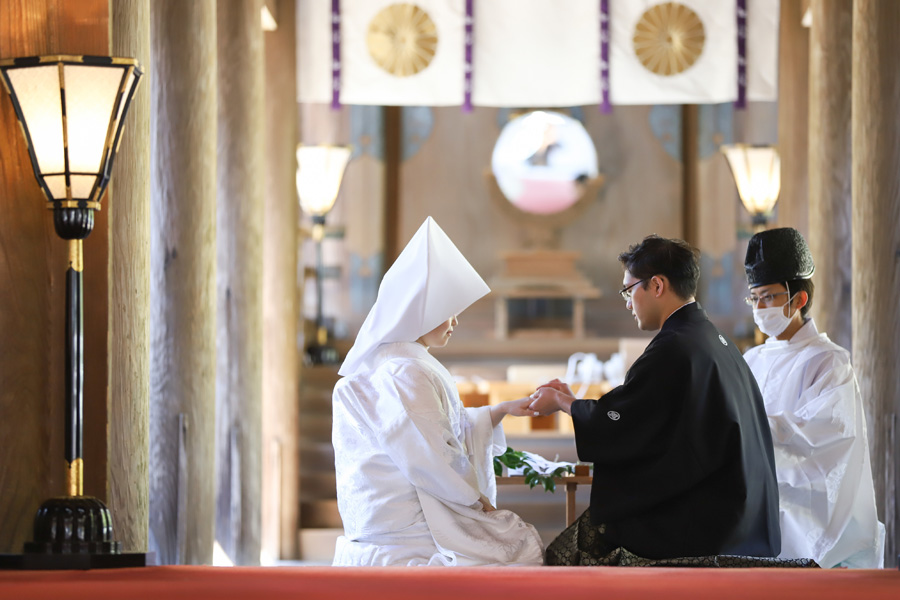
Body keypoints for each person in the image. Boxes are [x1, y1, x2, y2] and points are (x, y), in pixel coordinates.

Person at [528, 235, 782, 565]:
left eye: (629, 290)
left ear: (657, 285)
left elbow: (624, 424)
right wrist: (574, 401)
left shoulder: (675, 348)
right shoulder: (712, 338)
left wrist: (564, 404)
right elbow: (648, 418)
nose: (628, 303)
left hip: (706, 525)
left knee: (568, 552)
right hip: (741, 516)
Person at [331, 217, 544, 566]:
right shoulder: (406, 371)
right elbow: (429, 454)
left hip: (389, 520)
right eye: (449, 312)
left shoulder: (397, 363)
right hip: (407, 527)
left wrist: (497, 412)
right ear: (421, 312)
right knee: (517, 549)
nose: (455, 322)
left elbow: (436, 431)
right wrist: (476, 501)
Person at [742, 227, 884, 568]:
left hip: (813, 524)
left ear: (799, 299)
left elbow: (821, 438)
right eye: (754, 298)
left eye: (768, 297)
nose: (759, 308)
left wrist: (744, 429)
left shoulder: (829, 361)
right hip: (760, 512)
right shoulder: (751, 359)